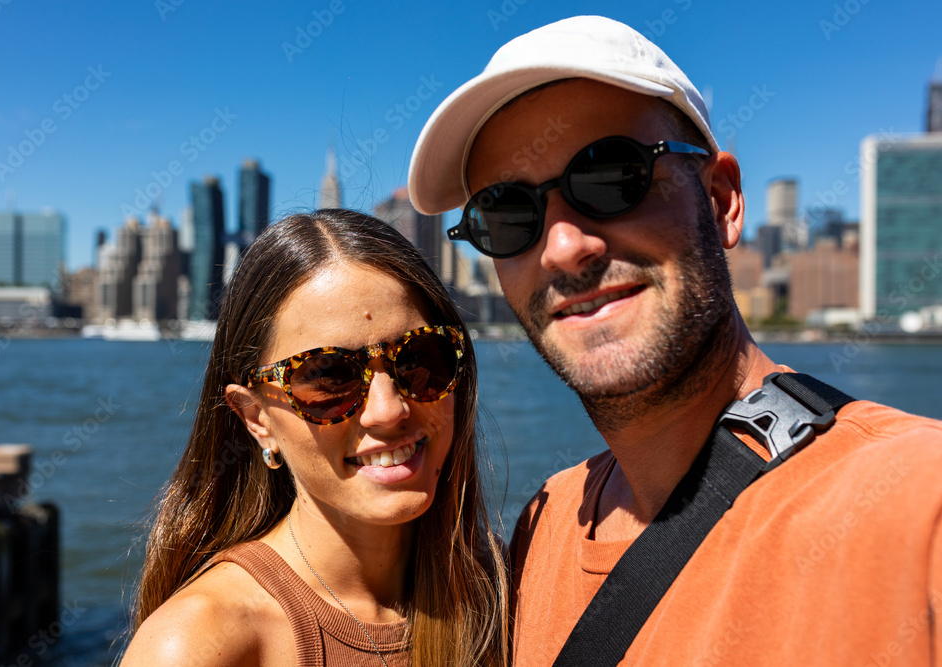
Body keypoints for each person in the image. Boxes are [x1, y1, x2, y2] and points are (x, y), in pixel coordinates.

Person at [407, 15, 942, 666]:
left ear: (721, 201)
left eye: (610, 177)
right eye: (507, 214)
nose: (565, 246)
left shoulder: (916, 503)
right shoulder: (540, 529)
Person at [121, 209, 507, 667]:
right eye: (327, 376)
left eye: (420, 357)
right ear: (255, 417)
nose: (389, 410)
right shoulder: (199, 643)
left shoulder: (503, 589)